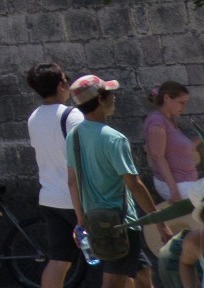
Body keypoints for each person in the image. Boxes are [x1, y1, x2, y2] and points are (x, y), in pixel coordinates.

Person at [70, 75, 164, 288]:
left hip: (95, 220)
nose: (115, 98)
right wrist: (160, 222)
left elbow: (72, 181)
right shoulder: (114, 138)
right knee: (114, 282)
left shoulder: (74, 136)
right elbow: (135, 185)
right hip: (119, 224)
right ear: (100, 100)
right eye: (110, 94)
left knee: (142, 272)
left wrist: (81, 220)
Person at [29, 61, 89, 288]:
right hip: (76, 199)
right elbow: (85, 157)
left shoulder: (34, 117)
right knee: (117, 259)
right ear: (61, 85)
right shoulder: (72, 116)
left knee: (59, 261)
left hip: (50, 198)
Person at [144, 84, 204, 282]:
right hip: (177, 185)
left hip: (184, 183)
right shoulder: (156, 122)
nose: (183, 107)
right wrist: (173, 189)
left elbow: (182, 151)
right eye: (181, 102)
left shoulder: (169, 121)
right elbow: (157, 156)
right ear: (166, 98)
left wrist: (202, 136)